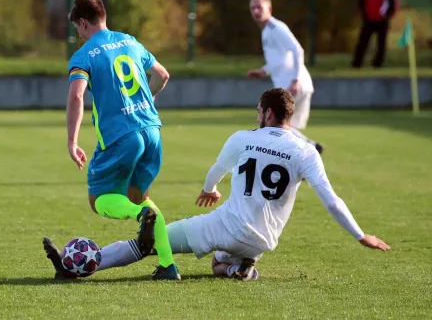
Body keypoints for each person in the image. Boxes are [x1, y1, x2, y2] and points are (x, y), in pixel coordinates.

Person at [76, 88, 390, 281]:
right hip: (264, 240)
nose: (257, 116)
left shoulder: (243, 138)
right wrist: (361, 236)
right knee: (217, 264)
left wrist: (209, 189)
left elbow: (216, 171)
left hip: (224, 226)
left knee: (151, 241)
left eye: (258, 111)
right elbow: (332, 201)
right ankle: (238, 265)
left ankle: (87, 264)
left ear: (267, 112)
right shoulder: (306, 151)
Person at [42, 0, 181, 280]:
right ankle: (168, 266)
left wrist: (72, 141)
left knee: (100, 199)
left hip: (121, 136)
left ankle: (139, 216)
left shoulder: (84, 55)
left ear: (83, 23)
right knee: (142, 198)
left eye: (77, 29)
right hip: (152, 130)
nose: (78, 35)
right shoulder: (130, 41)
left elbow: (77, 95)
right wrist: (145, 101)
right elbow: (163, 75)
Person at [246, 0, 323, 154]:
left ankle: (310, 148)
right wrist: (263, 71)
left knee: (272, 124)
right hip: (297, 85)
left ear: (269, 8)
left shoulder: (276, 27)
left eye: (259, 7)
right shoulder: (267, 30)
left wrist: (295, 79)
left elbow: (297, 49)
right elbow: (278, 59)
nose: (256, 11)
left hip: (293, 85)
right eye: (253, 8)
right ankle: (309, 151)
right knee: (285, 129)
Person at [351, 0, 399, 68]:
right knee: (362, 42)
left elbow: (393, 4)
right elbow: (360, 2)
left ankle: (377, 64)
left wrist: (388, 16)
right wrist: (362, 14)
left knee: (381, 44)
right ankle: (357, 63)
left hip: (382, 20)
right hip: (368, 20)